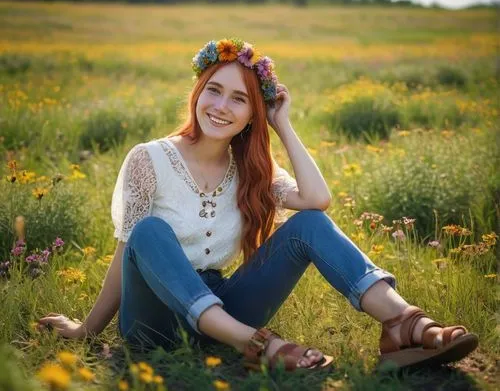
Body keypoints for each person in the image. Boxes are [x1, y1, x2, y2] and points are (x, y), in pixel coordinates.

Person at [38, 38, 478, 372]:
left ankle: (403, 323)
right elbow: (125, 254)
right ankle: (257, 345)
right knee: (148, 231)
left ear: (254, 114)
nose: (221, 106)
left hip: (223, 305)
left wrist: (283, 123)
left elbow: (316, 200)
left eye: (239, 98)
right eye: (214, 90)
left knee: (310, 223)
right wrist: (85, 330)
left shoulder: (250, 169)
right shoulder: (149, 159)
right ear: (197, 92)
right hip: (152, 322)